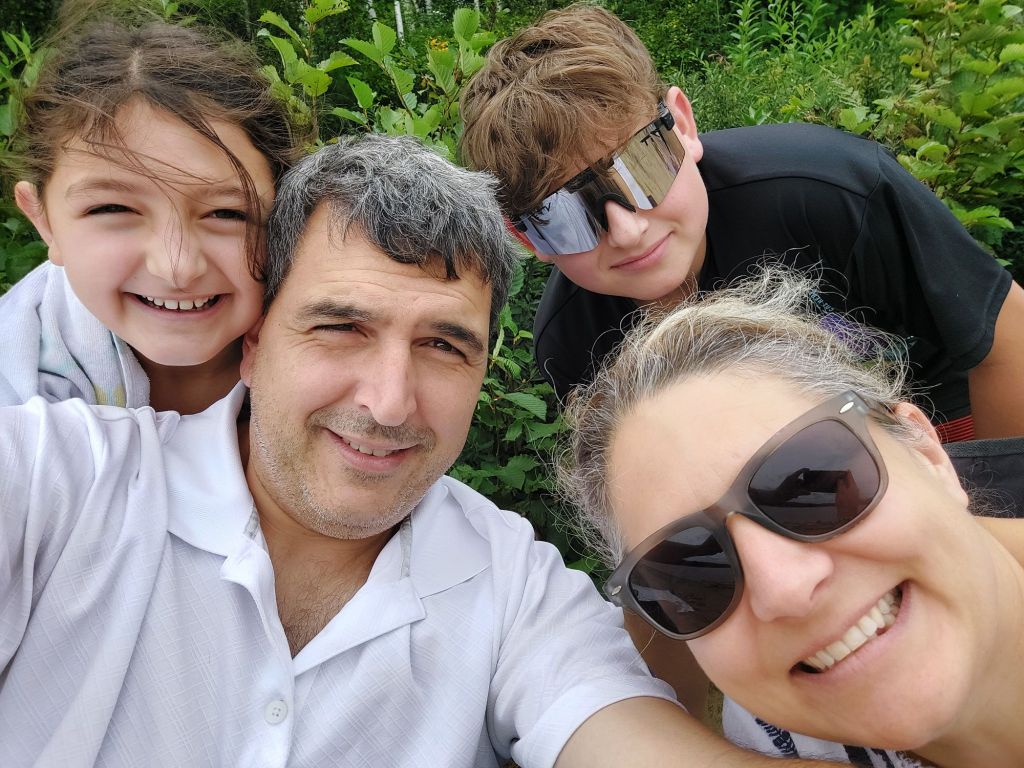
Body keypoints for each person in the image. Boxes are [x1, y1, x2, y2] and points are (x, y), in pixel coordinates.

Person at [0, 135, 841, 768]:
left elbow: (624, 732)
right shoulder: (55, 481)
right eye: (340, 328)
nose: (389, 402)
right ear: (254, 343)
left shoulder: (515, 588)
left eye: (444, 346)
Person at [459, 3, 1024, 443]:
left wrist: (994, 527)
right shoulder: (574, 345)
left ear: (681, 124)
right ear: (522, 237)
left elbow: (1004, 343)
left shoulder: (829, 193)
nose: (627, 230)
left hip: (947, 424)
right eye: (562, 218)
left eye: (640, 169)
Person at [558, 268, 1024, 766]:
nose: (784, 590)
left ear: (928, 455)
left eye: (814, 484)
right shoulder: (775, 743)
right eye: (691, 572)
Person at [0, 7, 303, 413]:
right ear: (44, 222)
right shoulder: (15, 386)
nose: (176, 268)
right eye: (112, 208)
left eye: (227, 213)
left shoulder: (359, 341)